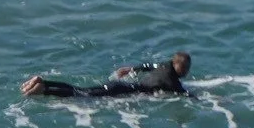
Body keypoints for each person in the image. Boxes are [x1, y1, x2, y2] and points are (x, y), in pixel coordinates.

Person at [22, 52, 192, 100]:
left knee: (81, 90)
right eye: (184, 67)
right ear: (176, 65)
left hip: (121, 86)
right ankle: (44, 90)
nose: (186, 71)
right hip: (123, 90)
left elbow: (148, 65)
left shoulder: (163, 65)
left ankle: (44, 83)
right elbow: (184, 93)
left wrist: (132, 68)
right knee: (81, 94)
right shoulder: (172, 81)